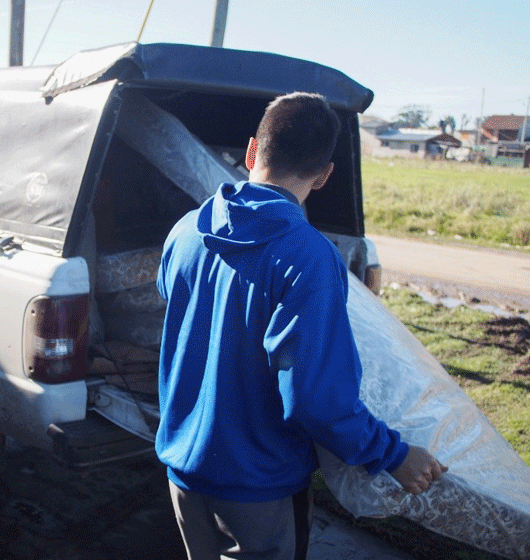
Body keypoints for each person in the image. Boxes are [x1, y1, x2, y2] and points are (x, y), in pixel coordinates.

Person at [155, 92, 447, 560]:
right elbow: (315, 399)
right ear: (326, 174)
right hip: (257, 486)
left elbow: (181, 313)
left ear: (252, 151)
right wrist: (393, 454)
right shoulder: (308, 258)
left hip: (182, 472)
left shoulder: (186, 230)